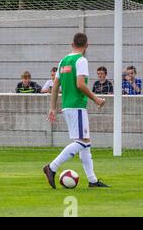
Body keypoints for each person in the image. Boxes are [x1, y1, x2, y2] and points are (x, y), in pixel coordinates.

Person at [44, 32, 109, 189]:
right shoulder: (81, 60)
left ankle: (92, 180)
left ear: (72, 44)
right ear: (86, 46)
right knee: (81, 142)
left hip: (67, 106)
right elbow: (80, 84)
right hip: (77, 106)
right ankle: (51, 167)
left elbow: (55, 86)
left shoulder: (63, 61)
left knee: (86, 142)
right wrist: (96, 99)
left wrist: (52, 107)